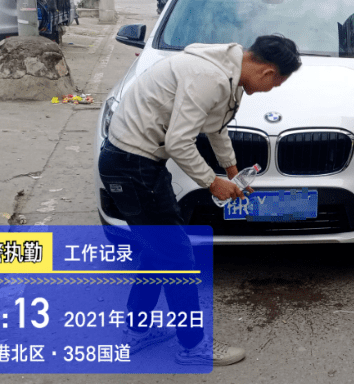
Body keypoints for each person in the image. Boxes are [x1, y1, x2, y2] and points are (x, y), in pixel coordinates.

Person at [98, 35, 302, 366]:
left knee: (157, 252)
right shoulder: (211, 76)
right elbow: (179, 142)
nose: (272, 90)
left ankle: (136, 332)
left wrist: (232, 171)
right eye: (276, 84)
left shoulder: (226, 71)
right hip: (133, 166)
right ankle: (193, 346)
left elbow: (215, 128)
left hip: (136, 164)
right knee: (178, 256)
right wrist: (212, 183)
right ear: (268, 72)